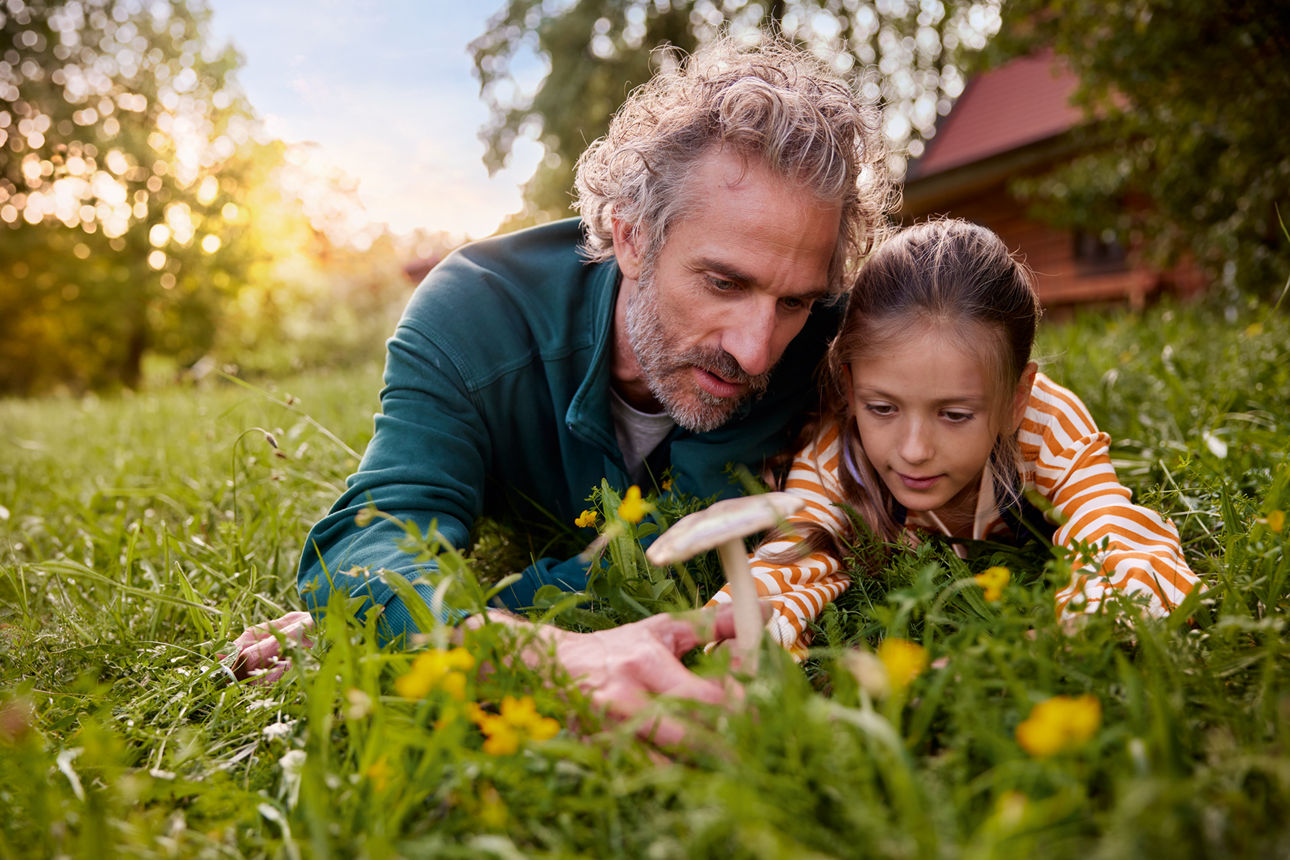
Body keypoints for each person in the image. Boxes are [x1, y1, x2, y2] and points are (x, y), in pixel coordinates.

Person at [231, 35, 894, 734]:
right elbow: (374, 538)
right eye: (723, 282)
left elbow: (679, 554)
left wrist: (397, 630)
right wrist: (537, 656)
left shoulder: (824, 341)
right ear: (632, 236)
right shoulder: (470, 316)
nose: (757, 353)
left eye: (793, 302)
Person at [706, 219, 1201, 655]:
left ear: (1015, 400)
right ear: (851, 387)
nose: (914, 450)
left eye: (955, 415)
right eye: (882, 408)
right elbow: (787, 564)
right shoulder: (834, 454)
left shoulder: (1047, 425)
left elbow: (1111, 527)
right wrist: (744, 641)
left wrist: (1081, 632)